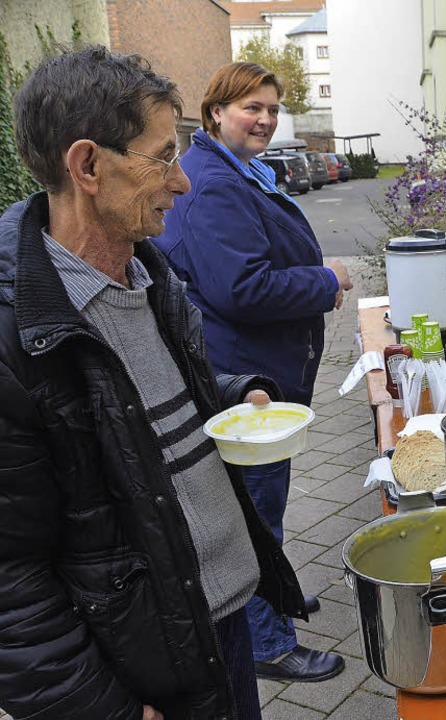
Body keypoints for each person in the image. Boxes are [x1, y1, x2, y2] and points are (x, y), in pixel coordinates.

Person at [0, 46, 305, 720]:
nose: (183, 180)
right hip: (139, 678)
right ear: (87, 165)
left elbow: (131, 410)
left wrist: (232, 395)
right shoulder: (17, 335)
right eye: (163, 156)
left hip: (216, 623)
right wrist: (102, 709)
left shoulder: (149, 276)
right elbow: (10, 580)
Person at [155, 62, 349, 683]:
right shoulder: (214, 183)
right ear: (214, 113)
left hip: (257, 374)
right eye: (251, 108)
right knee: (252, 516)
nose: (264, 119)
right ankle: (266, 641)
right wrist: (326, 280)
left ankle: (277, 600)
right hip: (242, 382)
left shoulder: (239, 171)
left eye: (271, 108)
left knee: (264, 507)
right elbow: (241, 287)